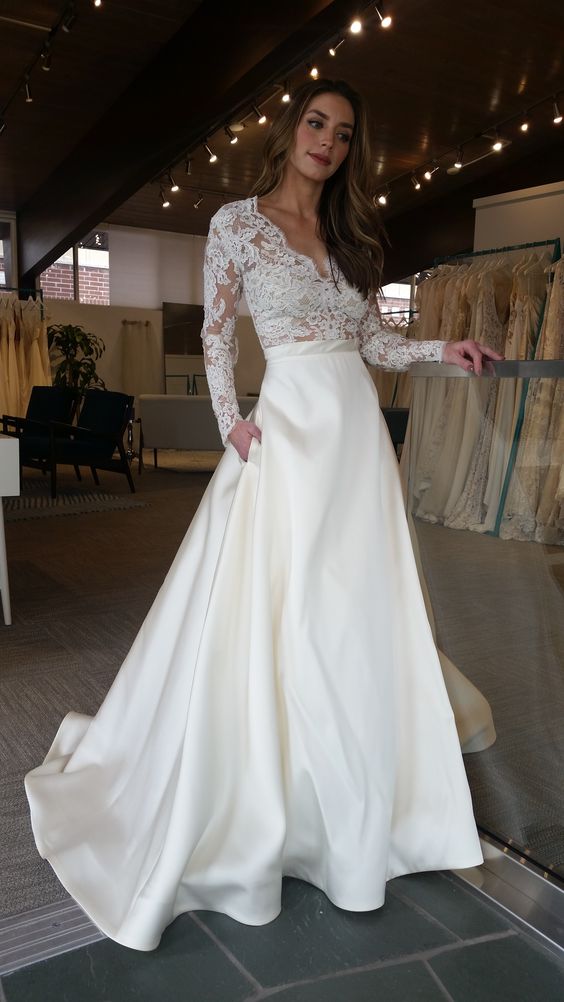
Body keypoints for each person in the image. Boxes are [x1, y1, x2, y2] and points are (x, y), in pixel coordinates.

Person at [25, 79, 501, 952]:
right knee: (288, 608)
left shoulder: (352, 235)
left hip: (356, 441)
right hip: (285, 432)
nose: (327, 141)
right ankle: (284, 797)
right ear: (290, 131)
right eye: (317, 123)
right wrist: (230, 423)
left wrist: (445, 348)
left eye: (344, 133)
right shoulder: (236, 225)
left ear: (351, 150)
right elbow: (216, 333)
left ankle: (363, 793)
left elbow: (372, 342)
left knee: (353, 610)